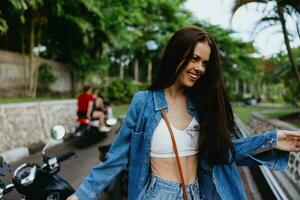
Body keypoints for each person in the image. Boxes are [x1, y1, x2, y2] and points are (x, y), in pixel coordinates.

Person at [68, 27, 300, 200]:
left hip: (198, 193)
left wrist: (271, 140)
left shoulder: (203, 105)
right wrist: (81, 195)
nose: (199, 68)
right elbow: (116, 158)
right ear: (176, 55)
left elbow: (224, 153)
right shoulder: (144, 103)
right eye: (194, 58)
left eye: (205, 63)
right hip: (159, 194)